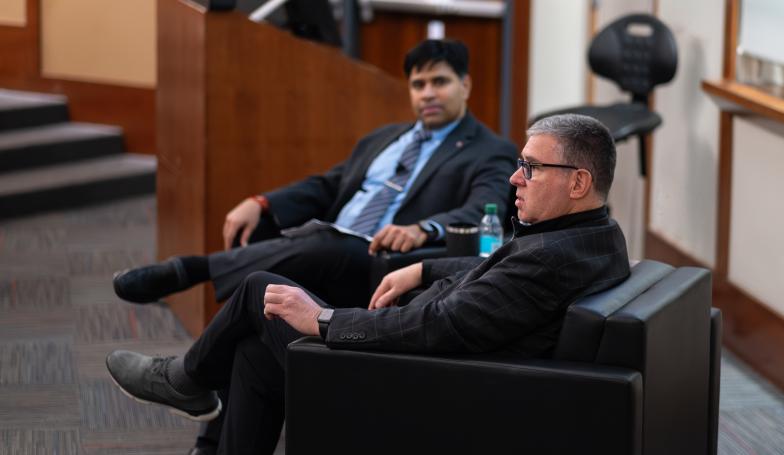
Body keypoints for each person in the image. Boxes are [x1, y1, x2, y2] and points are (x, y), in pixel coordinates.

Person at [106, 114, 631, 454]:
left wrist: (323, 320)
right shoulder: (593, 235)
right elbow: (492, 270)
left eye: (531, 168)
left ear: (578, 181)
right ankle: (193, 391)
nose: (516, 178)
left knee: (261, 290)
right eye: (519, 165)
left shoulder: (550, 257)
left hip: (416, 387)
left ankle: (185, 379)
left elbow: (438, 326)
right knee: (254, 352)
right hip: (434, 368)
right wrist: (424, 269)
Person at [113, 38, 515, 309]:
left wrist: (422, 228)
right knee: (260, 263)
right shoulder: (383, 138)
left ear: (465, 85)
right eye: (418, 84)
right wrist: (262, 202)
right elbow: (328, 185)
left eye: (440, 82)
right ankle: (209, 396)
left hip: (384, 262)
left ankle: (192, 270)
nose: (427, 93)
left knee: (329, 242)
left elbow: (486, 208)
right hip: (326, 244)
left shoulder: (490, 149)